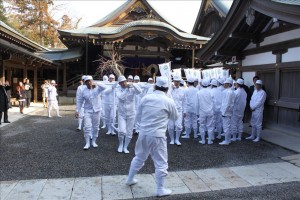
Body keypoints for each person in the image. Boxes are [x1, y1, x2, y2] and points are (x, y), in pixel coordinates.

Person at [125, 76, 178, 197]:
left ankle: (130, 179)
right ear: (167, 88)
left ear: (155, 86)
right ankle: (160, 189)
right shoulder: (168, 101)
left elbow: (138, 116)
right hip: (157, 135)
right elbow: (175, 117)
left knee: (139, 157)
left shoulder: (146, 98)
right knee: (161, 162)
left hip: (143, 132)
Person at [75, 76, 107, 150]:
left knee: (96, 127)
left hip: (97, 111)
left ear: (92, 81)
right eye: (87, 81)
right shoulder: (83, 90)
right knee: (87, 127)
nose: (89, 82)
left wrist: (96, 83)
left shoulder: (97, 88)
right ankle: (87, 143)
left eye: (90, 81)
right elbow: (79, 101)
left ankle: (94, 141)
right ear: (85, 83)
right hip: (87, 111)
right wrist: (77, 110)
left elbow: (104, 87)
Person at [116, 75, 142, 153]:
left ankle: (125, 146)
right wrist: (127, 89)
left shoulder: (132, 88)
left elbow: (139, 91)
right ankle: (121, 144)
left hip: (131, 113)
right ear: (119, 84)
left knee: (129, 132)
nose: (123, 84)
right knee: (121, 131)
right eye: (121, 83)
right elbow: (121, 97)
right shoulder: (118, 90)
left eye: (124, 82)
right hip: (122, 114)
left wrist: (133, 84)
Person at [168, 75, 184, 146]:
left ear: (179, 82)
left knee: (178, 126)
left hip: (179, 110)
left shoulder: (183, 90)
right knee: (171, 126)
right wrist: (171, 89)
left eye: (177, 81)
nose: (176, 83)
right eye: (175, 81)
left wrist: (185, 111)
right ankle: (172, 139)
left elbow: (185, 101)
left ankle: (177, 139)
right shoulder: (170, 90)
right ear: (173, 81)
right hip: (171, 110)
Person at [197, 79, 214, 144]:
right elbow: (214, 102)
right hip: (210, 111)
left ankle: (203, 140)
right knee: (210, 126)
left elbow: (197, 104)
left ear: (201, 84)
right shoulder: (211, 92)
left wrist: (197, 113)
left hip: (202, 111)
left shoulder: (199, 92)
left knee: (202, 126)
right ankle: (209, 141)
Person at [219, 78, 235, 145]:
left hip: (226, 112)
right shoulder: (229, 91)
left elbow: (227, 103)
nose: (224, 84)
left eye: (225, 83)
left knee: (226, 127)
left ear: (229, 84)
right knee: (227, 126)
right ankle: (228, 140)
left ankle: (227, 141)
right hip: (227, 111)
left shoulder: (229, 92)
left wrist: (224, 112)